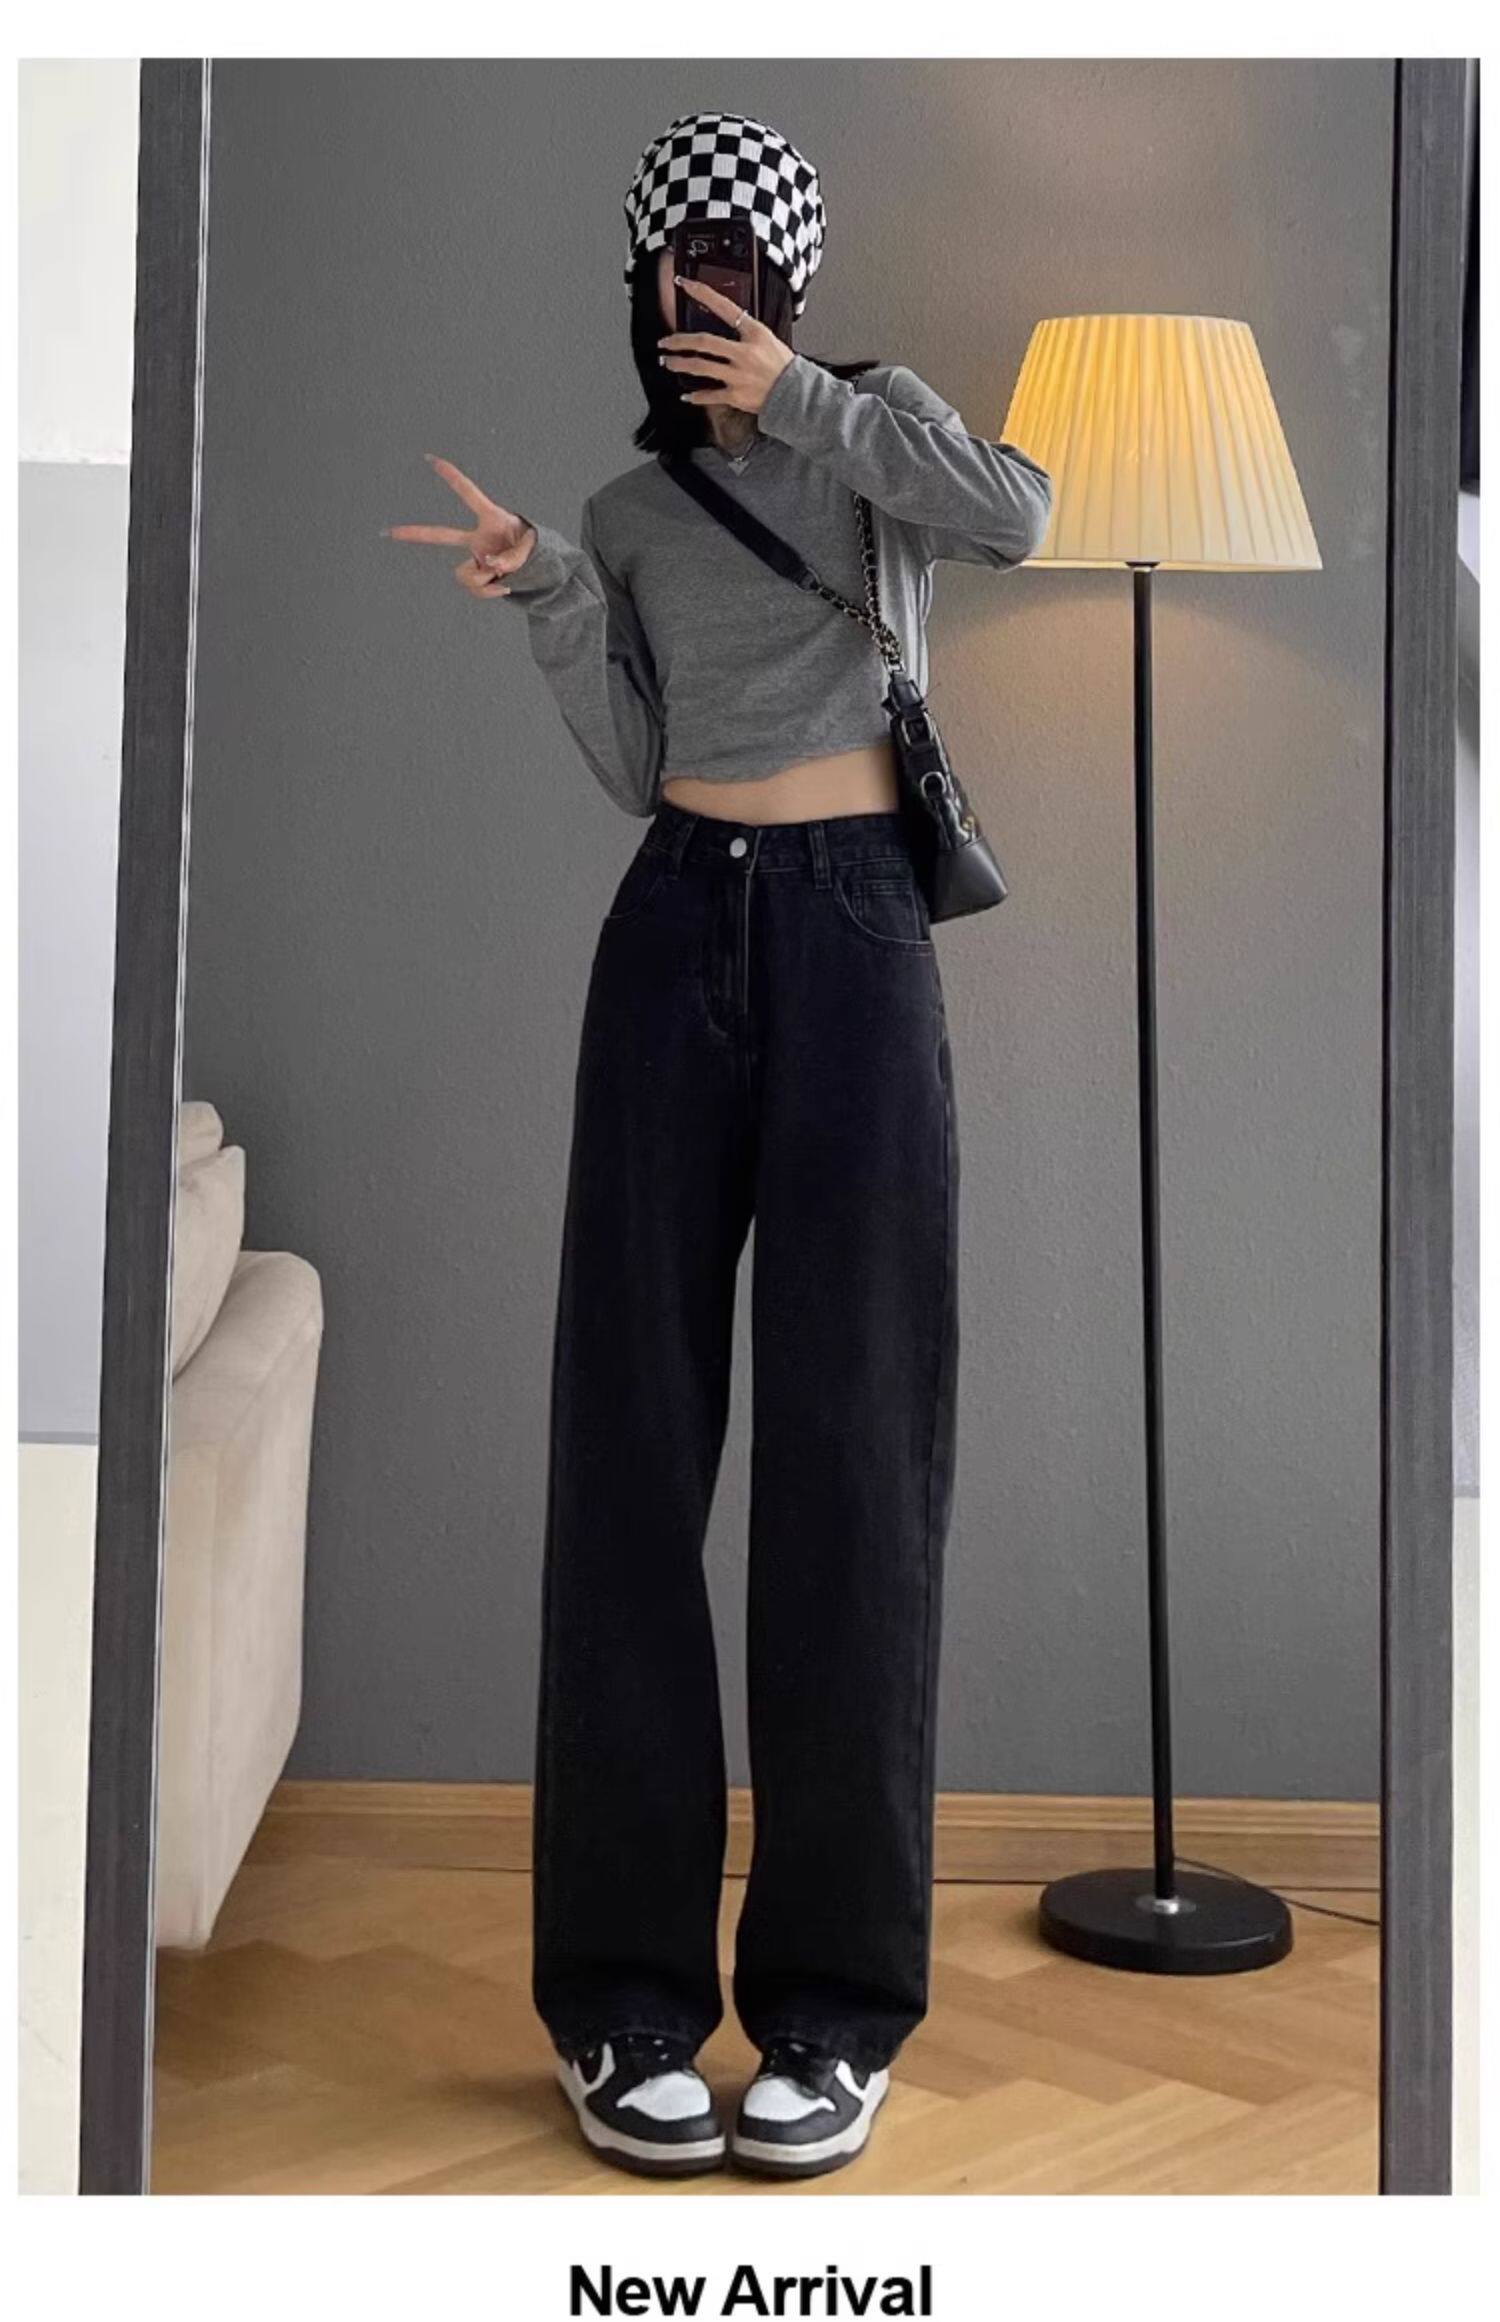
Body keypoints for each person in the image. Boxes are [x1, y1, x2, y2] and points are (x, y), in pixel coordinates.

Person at [388, 109, 1052, 2182]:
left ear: (790, 277)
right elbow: (636, 762)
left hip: (858, 936)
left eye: (741, 269)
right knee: (629, 1457)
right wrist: (548, 587)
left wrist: (813, 402)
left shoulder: (880, 434)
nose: (707, 300)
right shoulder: (632, 509)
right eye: (678, 271)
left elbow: (1020, 515)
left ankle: (835, 2015)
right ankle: (623, 2005)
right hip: (676, 924)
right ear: (642, 282)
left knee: (857, 1465)